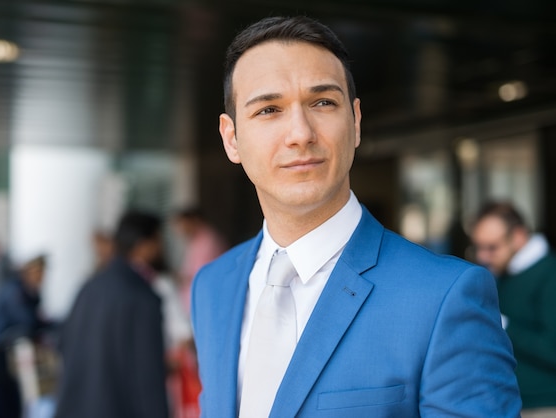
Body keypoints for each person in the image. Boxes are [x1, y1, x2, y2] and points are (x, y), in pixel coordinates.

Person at [190, 15, 521, 417]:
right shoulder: (213, 286)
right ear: (231, 139)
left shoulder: (444, 298)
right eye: (269, 109)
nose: (300, 133)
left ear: (356, 121)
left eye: (322, 103)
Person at [54, 210, 169, 418]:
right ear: (143, 244)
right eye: (158, 241)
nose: (161, 249)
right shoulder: (142, 297)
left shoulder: (89, 287)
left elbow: (62, 343)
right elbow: (148, 375)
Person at [470, 201, 556, 417]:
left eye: (492, 247)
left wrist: (502, 323)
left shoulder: (550, 274)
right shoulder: (504, 273)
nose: (482, 256)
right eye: (478, 247)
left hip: (543, 406)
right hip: (506, 402)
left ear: (518, 236)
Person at [0, 254, 49, 418]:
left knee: (13, 409)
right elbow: (29, 324)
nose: (43, 278)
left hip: (0, 363)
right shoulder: (14, 291)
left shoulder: (23, 291)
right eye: (40, 272)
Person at [173, 207, 227, 313]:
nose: (180, 229)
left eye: (183, 224)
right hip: (196, 304)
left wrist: (182, 278)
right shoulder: (195, 241)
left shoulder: (207, 242)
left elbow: (202, 275)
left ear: (195, 220)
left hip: (205, 303)